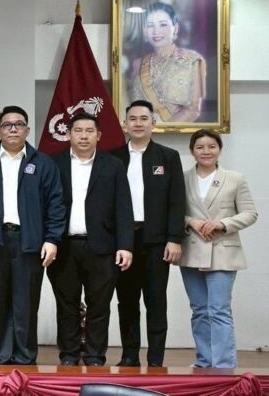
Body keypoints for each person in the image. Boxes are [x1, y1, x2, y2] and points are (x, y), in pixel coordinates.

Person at [0, 105, 64, 365]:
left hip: (29, 242)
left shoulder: (43, 163)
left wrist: (52, 239)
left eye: (18, 124)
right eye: (7, 125)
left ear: (27, 130)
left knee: (26, 302)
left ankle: (25, 355)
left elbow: (55, 204)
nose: (12, 129)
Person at [47, 112, 133, 366]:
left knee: (99, 305)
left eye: (89, 131)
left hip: (103, 247)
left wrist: (125, 245)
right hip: (64, 246)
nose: (83, 136)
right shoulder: (54, 164)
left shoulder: (113, 165)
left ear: (99, 135)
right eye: (78, 131)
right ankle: (69, 355)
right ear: (68, 134)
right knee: (67, 305)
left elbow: (123, 207)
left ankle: (95, 356)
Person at [112, 99, 185, 367]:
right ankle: (129, 356)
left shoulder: (168, 157)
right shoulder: (113, 157)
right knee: (127, 301)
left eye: (144, 118)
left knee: (156, 302)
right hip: (124, 242)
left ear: (153, 123)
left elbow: (177, 201)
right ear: (125, 124)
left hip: (156, 242)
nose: (138, 123)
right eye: (133, 119)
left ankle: (155, 359)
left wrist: (174, 239)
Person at [179, 129, 258, 369]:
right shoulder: (182, 178)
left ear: (219, 149)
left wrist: (222, 224)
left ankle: (224, 366)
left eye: (211, 146)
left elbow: (250, 213)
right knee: (199, 310)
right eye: (200, 147)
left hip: (223, 251)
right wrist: (190, 221)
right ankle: (204, 362)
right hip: (192, 251)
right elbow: (171, 211)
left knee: (219, 310)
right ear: (192, 151)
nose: (206, 151)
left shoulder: (235, 178)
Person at [129, 2, 206, 123]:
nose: (156, 31)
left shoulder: (191, 61)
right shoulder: (138, 64)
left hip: (173, 132)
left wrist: (161, 130)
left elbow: (193, 111)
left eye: (163, 25)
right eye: (150, 25)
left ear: (175, 28)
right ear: (145, 30)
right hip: (140, 131)